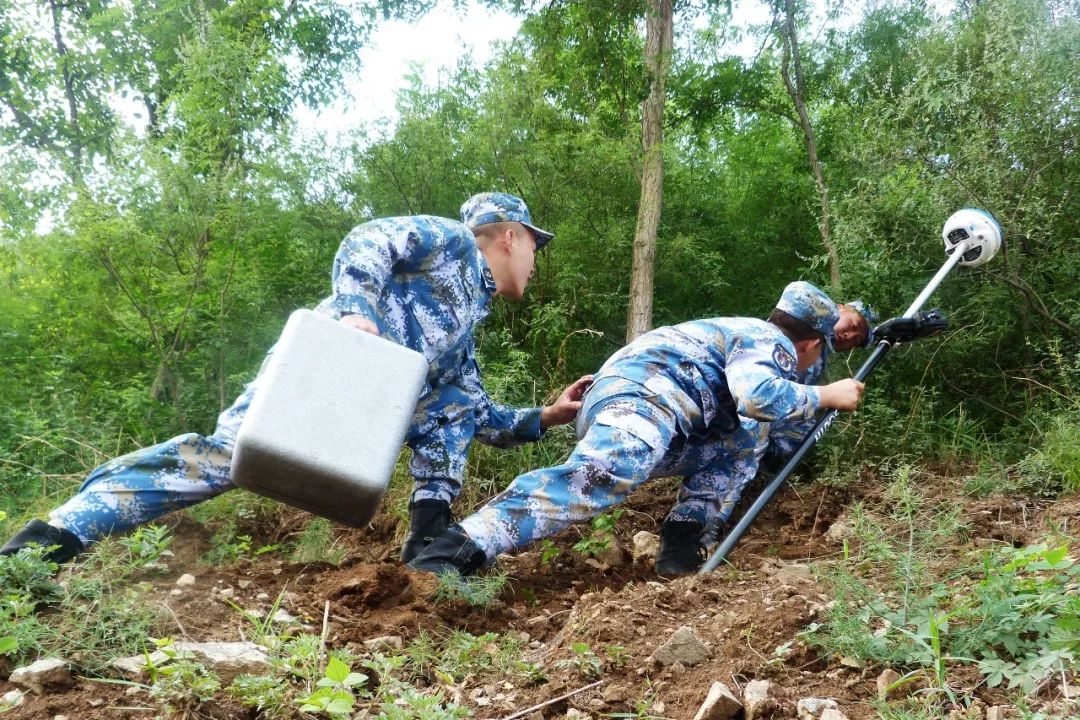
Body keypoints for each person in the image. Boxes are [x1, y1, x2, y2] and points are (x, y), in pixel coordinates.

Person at [1, 192, 591, 565]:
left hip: (374, 393)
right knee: (228, 458)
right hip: (329, 361)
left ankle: (429, 544)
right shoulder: (455, 242)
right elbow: (371, 238)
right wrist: (357, 308)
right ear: (510, 236)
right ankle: (53, 537)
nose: (536, 264)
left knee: (454, 407)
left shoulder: (465, 322)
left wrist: (546, 416)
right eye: (536, 248)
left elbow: (475, 410)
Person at [407, 281, 867, 578]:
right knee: (597, 479)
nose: (808, 364)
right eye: (815, 353)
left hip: (639, 408)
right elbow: (758, 396)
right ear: (809, 343)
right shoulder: (771, 340)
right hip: (646, 402)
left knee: (744, 442)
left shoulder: (734, 330)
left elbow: (748, 417)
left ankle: (682, 545)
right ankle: (455, 549)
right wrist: (827, 395)